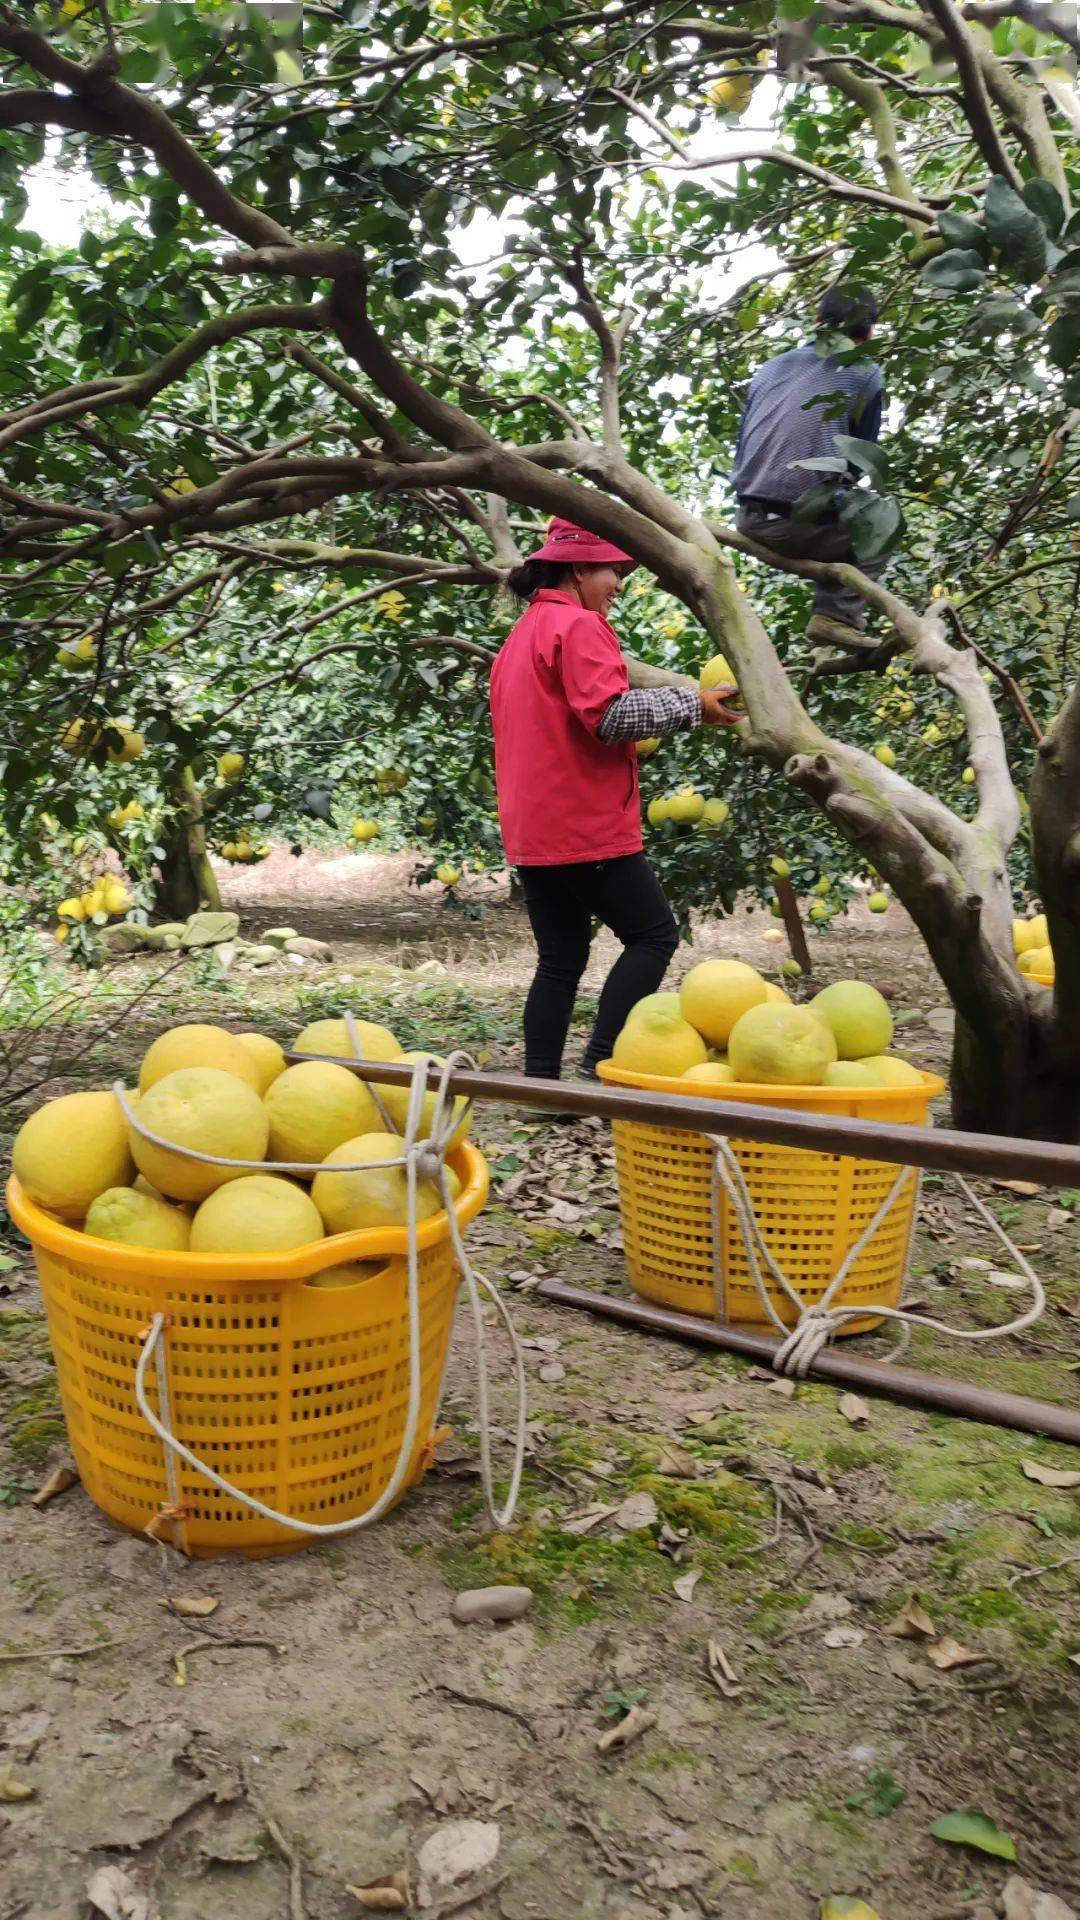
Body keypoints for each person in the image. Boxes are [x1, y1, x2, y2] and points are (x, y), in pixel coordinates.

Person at [489, 516, 741, 1083]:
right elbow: (611, 716)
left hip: (534, 830)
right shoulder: (577, 627)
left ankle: (543, 1085)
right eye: (613, 570)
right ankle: (597, 1068)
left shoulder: (519, 638)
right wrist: (694, 704)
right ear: (579, 569)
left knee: (560, 960)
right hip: (583, 826)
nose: (620, 584)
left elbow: (558, 729)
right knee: (653, 935)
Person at [731, 284, 886, 647]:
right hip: (795, 527)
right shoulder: (864, 371)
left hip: (748, 516)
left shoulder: (770, 368)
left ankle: (832, 610)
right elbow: (861, 460)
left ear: (817, 322)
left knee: (836, 501)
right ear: (869, 333)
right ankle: (836, 616)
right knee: (880, 524)